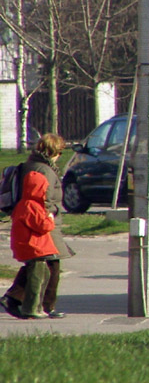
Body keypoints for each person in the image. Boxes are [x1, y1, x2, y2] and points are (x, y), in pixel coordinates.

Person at [1, 133, 73, 319]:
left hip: (36, 221)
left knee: (37, 264)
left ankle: (15, 297)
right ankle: (44, 306)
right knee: (51, 265)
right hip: (44, 224)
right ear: (53, 151)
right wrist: (52, 213)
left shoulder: (31, 164)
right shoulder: (43, 170)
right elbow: (43, 198)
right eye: (59, 152)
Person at [7, 168, 59, 318]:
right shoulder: (31, 206)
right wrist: (50, 218)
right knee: (37, 279)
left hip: (31, 247)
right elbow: (43, 226)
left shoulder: (24, 204)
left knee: (44, 274)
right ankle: (31, 308)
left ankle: (36, 306)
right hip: (34, 247)